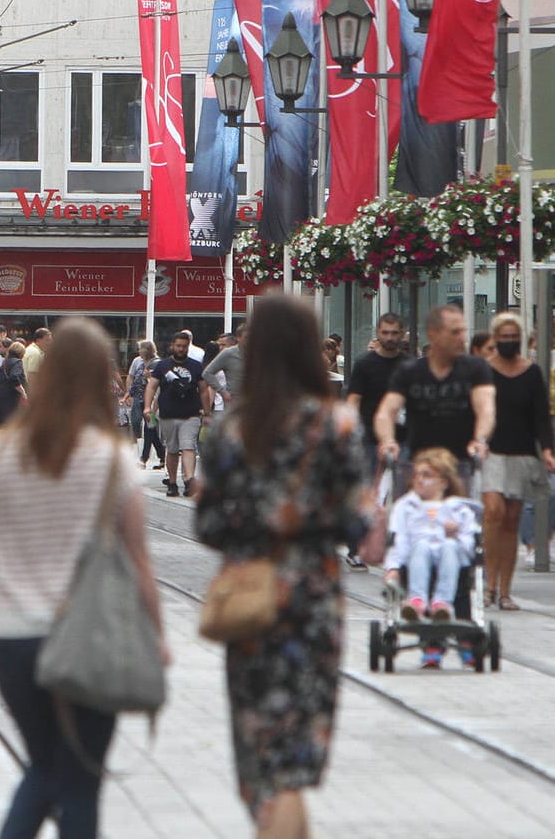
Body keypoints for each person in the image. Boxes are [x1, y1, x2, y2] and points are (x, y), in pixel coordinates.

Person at [0, 318, 165, 839]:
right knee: (79, 779)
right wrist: (157, 636)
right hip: (88, 636)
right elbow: (139, 561)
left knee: (43, 766)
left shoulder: (2, 455)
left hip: (13, 636)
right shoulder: (112, 461)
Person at [196, 293, 371, 838]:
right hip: (313, 599)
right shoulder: (336, 426)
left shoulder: (231, 430)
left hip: (251, 596)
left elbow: (207, 524)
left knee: (261, 752)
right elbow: (358, 526)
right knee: (295, 760)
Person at [374, 305, 495, 493]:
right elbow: (386, 411)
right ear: (433, 334)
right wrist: (388, 440)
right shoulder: (410, 371)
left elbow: (486, 408)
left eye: (463, 331)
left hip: (461, 462)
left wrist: (480, 439)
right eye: (454, 332)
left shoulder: (476, 368)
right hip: (419, 463)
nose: (462, 338)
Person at [480, 312, 554, 610]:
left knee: (511, 519)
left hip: (523, 452)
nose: (509, 342)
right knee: (493, 512)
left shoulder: (532, 372)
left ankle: (505, 590)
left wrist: (547, 450)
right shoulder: (484, 371)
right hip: (492, 452)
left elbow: (540, 416)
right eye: (504, 337)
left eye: (514, 337)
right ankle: (487, 585)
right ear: (495, 339)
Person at [382, 449, 477, 657]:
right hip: (417, 563)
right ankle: (417, 602)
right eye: (417, 475)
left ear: (443, 482)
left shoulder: (459, 508)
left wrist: (456, 534)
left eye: (427, 475)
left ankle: (442, 604)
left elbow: (470, 544)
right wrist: (393, 568)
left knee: (450, 546)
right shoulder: (405, 506)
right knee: (421, 545)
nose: (419, 480)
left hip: (453, 563)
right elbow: (399, 540)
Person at [145, 332, 209, 498]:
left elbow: (203, 390)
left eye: (184, 346)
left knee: (188, 447)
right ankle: (172, 483)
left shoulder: (196, 366)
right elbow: (152, 387)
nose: (181, 349)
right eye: (178, 346)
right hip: (168, 414)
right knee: (172, 450)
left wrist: (206, 411)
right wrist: (147, 407)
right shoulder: (162, 366)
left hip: (191, 414)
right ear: (172, 346)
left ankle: (189, 480)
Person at [345, 313, 407, 476]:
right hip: (369, 439)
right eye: (385, 333)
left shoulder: (409, 365)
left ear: (402, 333)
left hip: (403, 437)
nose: (389, 338)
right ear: (378, 333)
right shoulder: (364, 364)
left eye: (394, 333)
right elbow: (353, 400)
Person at [125, 340, 163, 469]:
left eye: (141, 349)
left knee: (149, 428)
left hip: (152, 402)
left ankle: (143, 458)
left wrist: (149, 376)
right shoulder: (138, 362)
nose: (139, 351)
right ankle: (162, 454)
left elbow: (158, 383)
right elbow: (134, 380)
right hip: (140, 400)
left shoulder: (157, 364)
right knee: (143, 426)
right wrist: (128, 394)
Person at [203, 321, 246, 409]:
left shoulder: (259, 354)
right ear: (238, 337)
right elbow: (207, 373)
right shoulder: (228, 353)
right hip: (234, 404)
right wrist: (223, 392)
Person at [0, 339, 29, 429]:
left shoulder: (5, 362)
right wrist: (23, 393)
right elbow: (14, 377)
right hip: (10, 401)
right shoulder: (17, 362)